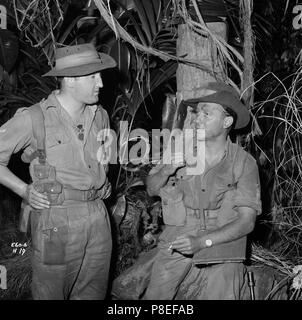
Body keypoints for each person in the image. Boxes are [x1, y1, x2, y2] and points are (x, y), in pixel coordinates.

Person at [0, 43, 116, 300]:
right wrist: (24, 190)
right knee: (50, 292)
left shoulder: (101, 116)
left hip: (98, 216)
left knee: (94, 292)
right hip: (55, 221)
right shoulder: (35, 118)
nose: (101, 83)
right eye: (93, 76)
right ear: (71, 80)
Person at [143, 82, 261, 300]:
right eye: (197, 113)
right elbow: (151, 188)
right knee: (156, 297)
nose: (197, 119)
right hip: (180, 232)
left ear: (227, 121)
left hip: (223, 236)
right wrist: (169, 168)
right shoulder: (180, 148)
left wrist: (202, 242)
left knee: (224, 291)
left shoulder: (244, 163)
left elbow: (247, 222)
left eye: (206, 113)